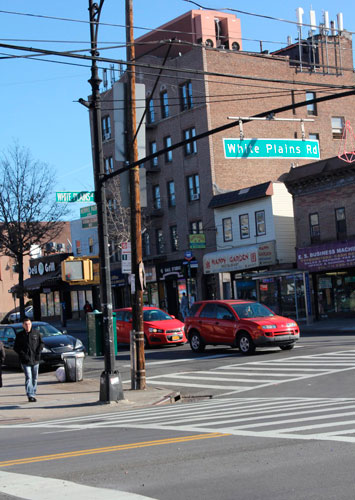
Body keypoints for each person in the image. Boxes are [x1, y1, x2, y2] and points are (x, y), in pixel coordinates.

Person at [14, 318, 44, 402]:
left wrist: (38, 352)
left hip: (35, 360)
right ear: (23, 325)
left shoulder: (36, 333)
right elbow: (16, 347)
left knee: (35, 378)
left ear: (31, 324)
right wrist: (23, 355)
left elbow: (41, 343)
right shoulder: (20, 335)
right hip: (25, 361)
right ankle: (30, 395)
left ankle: (33, 393)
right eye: (26, 324)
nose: (28, 326)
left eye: (29, 324)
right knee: (29, 377)